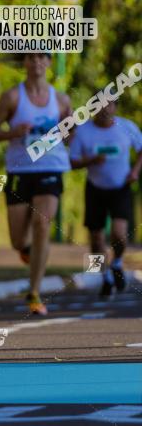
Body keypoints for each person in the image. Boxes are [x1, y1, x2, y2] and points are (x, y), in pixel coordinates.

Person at [0, 53, 72, 315]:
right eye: (31, 59)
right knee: (18, 240)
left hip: (51, 167)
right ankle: (28, 250)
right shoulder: (12, 97)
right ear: (25, 63)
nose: (36, 64)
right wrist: (12, 132)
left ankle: (34, 292)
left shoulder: (61, 99)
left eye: (42, 59)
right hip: (20, 170)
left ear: (48, 63)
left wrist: (70, 128)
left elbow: (69, 138)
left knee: (42, 223)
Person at [69, 98, 142, 297]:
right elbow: (72, 162)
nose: (103, 109)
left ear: (115, 107)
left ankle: (117, 262)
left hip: (121, 187)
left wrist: (135, 171)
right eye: (98, 105)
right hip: (95, 188)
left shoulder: (126, 127)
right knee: (96, 238)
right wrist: (90, 160)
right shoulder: (83, 131)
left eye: (108, 105)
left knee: (119, 234)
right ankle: (105, 278)